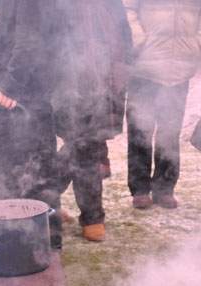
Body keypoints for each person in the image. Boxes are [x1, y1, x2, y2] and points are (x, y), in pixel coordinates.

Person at [124, 0, 201, 210]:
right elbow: (127, 7)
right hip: (144, 66)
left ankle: (165, 187)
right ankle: (140, 188)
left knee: (170, 131)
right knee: (140, 129)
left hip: (180, 67)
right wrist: (138, 40)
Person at [51, 0, 132, 241]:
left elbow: (123, 35)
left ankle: (49, 201)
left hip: (104, 84)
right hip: (67, 85)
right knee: (84, 147)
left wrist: (122, 71)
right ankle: (91, 216)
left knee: (85, 147)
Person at [0, 0, 63, 249]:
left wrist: (10, 86)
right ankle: (32, 236)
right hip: (29, 88)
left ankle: (40, 239)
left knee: (35, 169)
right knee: (32, 166)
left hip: (27, 91)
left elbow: (30, 41)